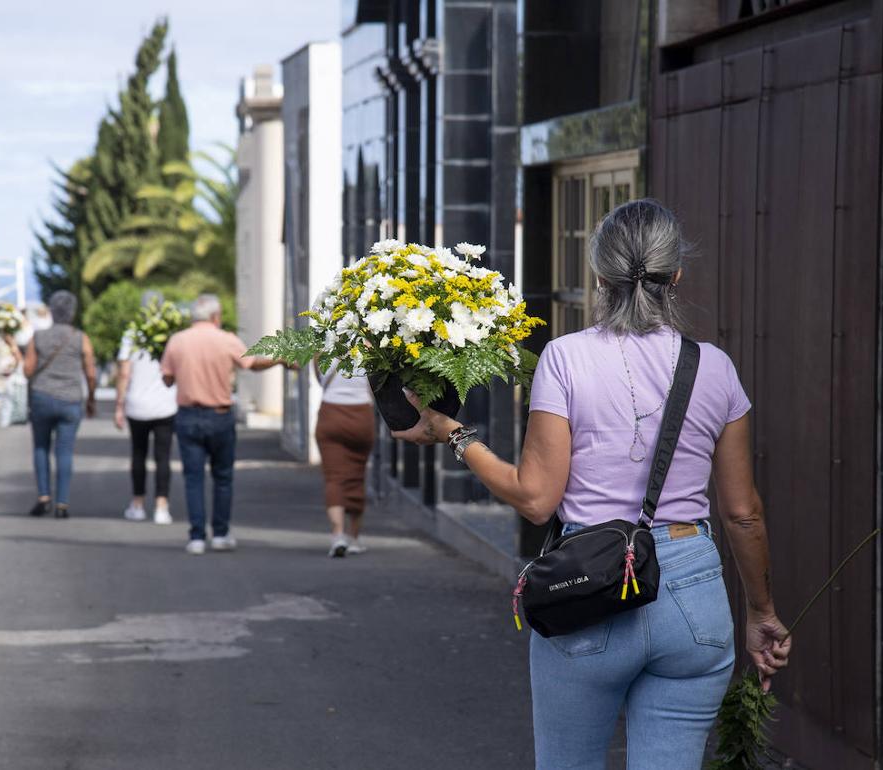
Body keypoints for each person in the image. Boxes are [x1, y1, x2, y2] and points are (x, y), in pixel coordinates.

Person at [391, 199, 791, 769]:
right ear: (676, 274)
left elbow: (535, 498)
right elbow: (743, 513)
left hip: (590, 586)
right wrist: (761, 611)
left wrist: (451, 433)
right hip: (694, 590)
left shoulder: (565, 359)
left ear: (598, 275)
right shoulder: (717, 368)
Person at [159, 293, 289, 555]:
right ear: (215, 316)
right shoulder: (226, 340)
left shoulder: (177, 340)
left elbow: (167, 379)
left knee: (193, 478)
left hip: (187, 416)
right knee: (223, 477)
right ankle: (220, 534)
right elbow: (251, 364)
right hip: (219, 416)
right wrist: (281, 360)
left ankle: (196, 537)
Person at [23, 291, 97, 519]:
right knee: (65, 451)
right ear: (73, 312)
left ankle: (44, 496)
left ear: (52, 312)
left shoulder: (38, 336)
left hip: (42, 398)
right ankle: (62, 503)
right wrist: (91, 398)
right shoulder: (80, 337)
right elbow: (91, 373)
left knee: (41, 448)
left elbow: (28, 370)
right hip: (70, 400)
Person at [115, 308, 179, 524]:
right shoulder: (171, 337)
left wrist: (119, 405)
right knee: (163, 457)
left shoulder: (132, 335)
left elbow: (124, 372)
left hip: (137, 404)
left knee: (138, 454)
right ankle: (162, 506)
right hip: (166, 404)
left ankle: (138, 504)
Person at [313, 360, 374, 557]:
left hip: (331, 413)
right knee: (357, 475)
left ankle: (338, 534)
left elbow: (319, 378)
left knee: (334, 477)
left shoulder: (322, 347)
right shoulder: (369, 344)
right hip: (361, 415)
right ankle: (354, 538)